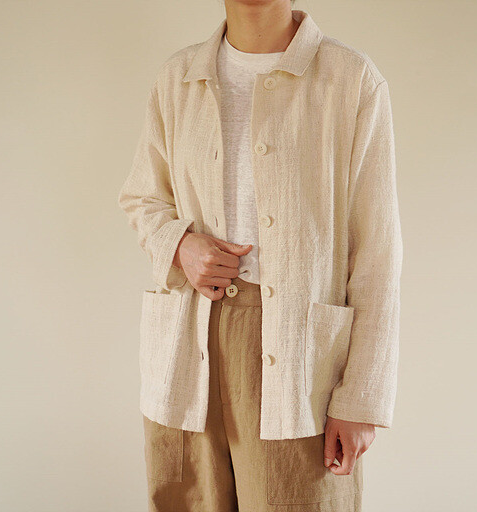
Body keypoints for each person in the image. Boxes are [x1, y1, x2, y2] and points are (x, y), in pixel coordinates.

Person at [117, 1, 402, 510]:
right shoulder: (178, 77)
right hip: (187, 340)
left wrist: (361, 396)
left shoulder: (350, 79)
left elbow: (377, 251)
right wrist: (180, 246)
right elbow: (143, 197)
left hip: (299, 357)